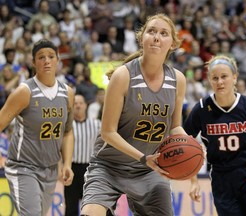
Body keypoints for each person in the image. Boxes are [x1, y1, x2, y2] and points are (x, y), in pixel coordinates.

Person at [80, 13, 187, 216]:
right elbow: (107, 132)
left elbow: (175, 126)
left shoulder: (178, 80)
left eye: (164, 33)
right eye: (151, 31)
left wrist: (188, 143)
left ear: (173, 44)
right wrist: (143, 157)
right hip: (109, 166)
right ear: (142, 38)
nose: (156, 37)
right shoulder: (123, 75)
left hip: (148, 170)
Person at [184, 55, 246, 216]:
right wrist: (194, 181)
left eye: (224, 76)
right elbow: (185, 146)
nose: (220, 82)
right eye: (215, 78)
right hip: (222, 182)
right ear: (209, 80)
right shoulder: (201, 109)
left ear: (235, 78)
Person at [0, 39, 75, 215]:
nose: (47, 61)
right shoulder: (24, 92)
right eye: (41, 57)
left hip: (50, 169)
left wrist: (67, 164)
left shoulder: (67, 93)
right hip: (23, 166)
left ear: (58, 60)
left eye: (51, 56)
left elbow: (68, 132)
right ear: (33, 63)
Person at [64, 94, 101, 216]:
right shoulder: (67, 126)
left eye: (80, 103)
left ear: (86, 105)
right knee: (71, 207)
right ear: (71, 107)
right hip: (72, 168)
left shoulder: (97, 124)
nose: (78, 105)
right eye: (75, 103)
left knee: (92, 207)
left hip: (90, 169)